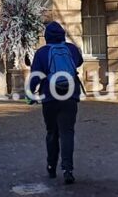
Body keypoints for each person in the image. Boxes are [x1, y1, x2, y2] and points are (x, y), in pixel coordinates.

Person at [27, 21, 83, 185]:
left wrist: (30, 94)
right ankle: (68, 169)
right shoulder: (71, 49)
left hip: (50, 98)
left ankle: (51, 166)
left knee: (52, 132)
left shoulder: (42, 52)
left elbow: (35, 76)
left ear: (46, 37)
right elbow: (78, 62)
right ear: (62, 35)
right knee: (67, 132)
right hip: (70, 96)